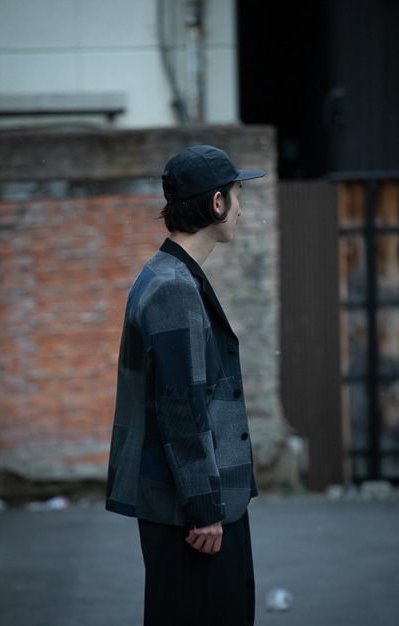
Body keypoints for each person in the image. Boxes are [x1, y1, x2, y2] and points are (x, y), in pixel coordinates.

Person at [105, 144, 266, 626]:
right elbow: (179, 407)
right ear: (217, 203)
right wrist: (204, 509)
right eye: (237, 196)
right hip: (193, 517)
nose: (241, 210)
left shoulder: (167, 274)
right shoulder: (173, 287)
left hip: (193, 509)